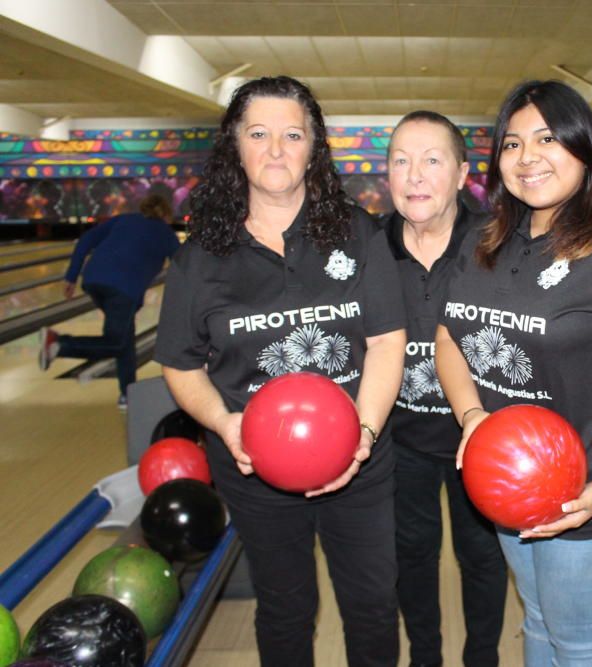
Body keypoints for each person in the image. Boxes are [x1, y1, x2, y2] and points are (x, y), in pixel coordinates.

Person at [435, 80, 592, 666]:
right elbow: (450, 336)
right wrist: (473, 416)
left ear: (584, 147)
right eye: (512, 143)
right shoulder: (484, 239)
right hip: (509, 480)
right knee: (540, 623)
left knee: (578, 639)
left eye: (548, 138)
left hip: (591, 487)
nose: (527, 158)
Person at [153, 76, 406, 667]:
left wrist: (362, 438)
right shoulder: (201, 256)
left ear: (313, 148)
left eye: (292, 135)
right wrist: (225, 423)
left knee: (371, 603)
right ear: (234, 146)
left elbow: (388, 343)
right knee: (285, 606)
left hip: (361, 462)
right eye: (259, 133)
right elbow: (181, 364)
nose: (275, 150)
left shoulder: (355, 231)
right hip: (253, 468)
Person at [382, 110, 508, 667]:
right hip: (401, 439)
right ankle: (425, 657)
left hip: (479, 436)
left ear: (461, 174)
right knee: (412, 556)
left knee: (482, 555)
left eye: (432, 161)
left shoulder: (498, 245)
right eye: (401, 161)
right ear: (386, 174)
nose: (415, 176)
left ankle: (482, 657)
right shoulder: (369, 249)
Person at [38, 193, 179, 408]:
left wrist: (71, 276)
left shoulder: (124, 219)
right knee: (116, 343)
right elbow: (182, 266)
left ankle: (127, 394)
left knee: (124, 339)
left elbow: (86, 240)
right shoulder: (166, 233)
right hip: (123, 289)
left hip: (94, 279)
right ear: (166, 214)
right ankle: (59, 344)